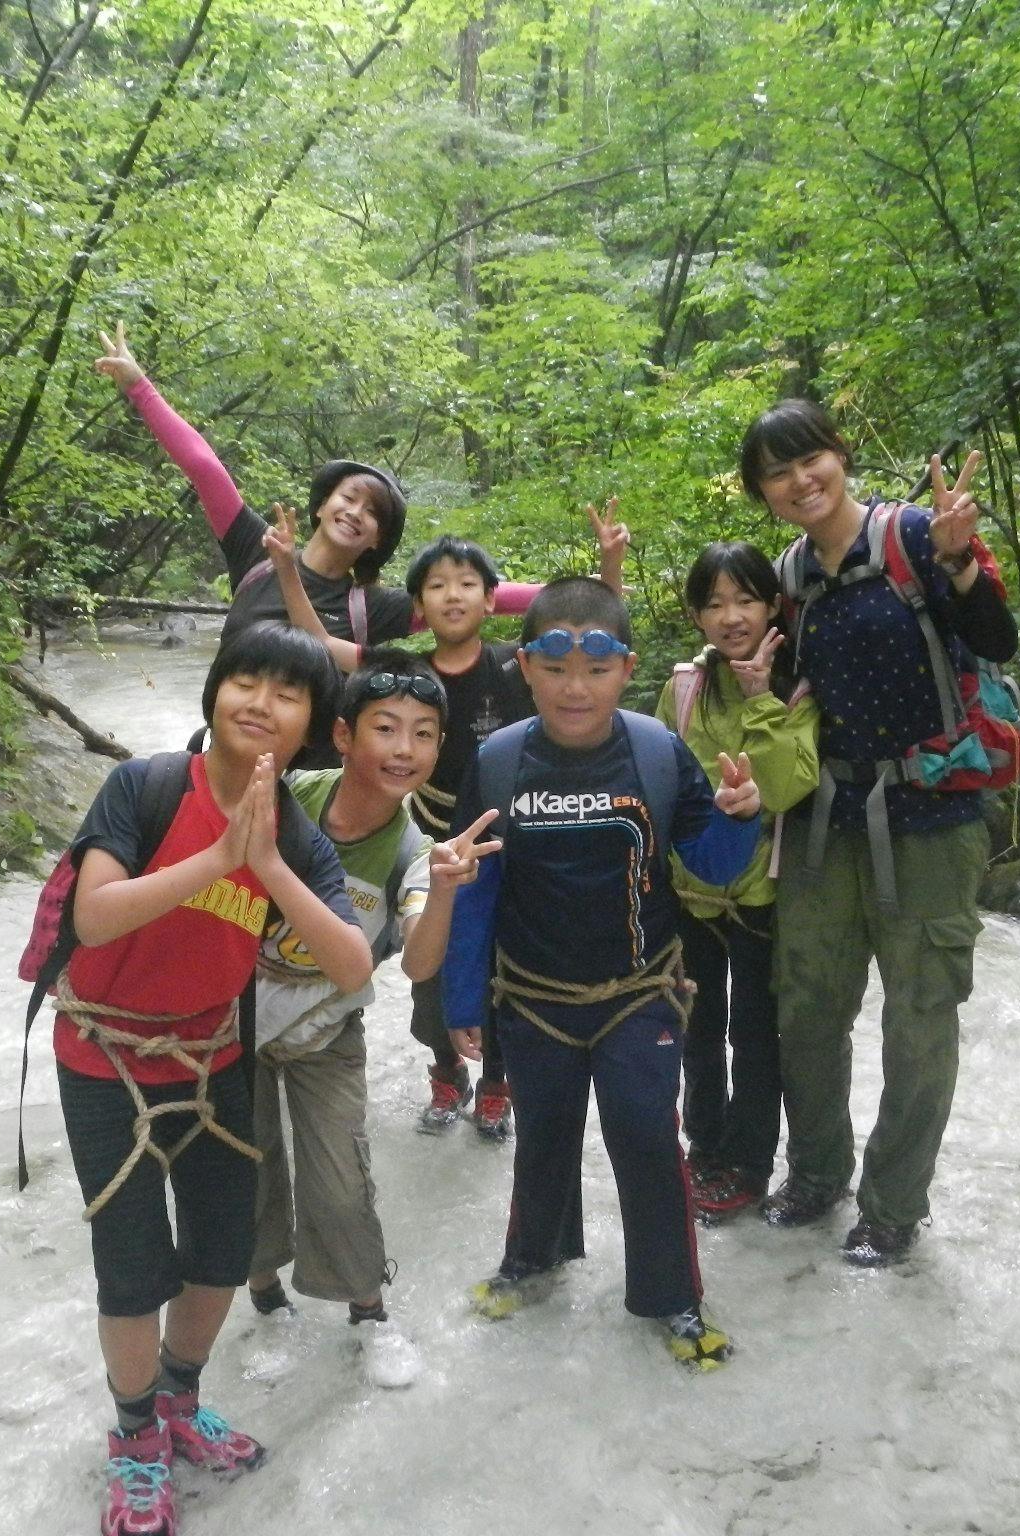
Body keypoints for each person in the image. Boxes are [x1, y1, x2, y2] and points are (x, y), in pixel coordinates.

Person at [53, 622, 371, 1536]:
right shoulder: (146, 786)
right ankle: (134, 1438)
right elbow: (96, 916)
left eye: (287, 692)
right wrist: (220, 861)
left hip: (211, 1059)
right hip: (106, 1059)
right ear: (216, 690)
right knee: (130, 1266)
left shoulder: (297, 838)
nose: (260, 703)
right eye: (246, 681)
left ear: (314, 725)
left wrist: (267, 863)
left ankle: (179, 1400)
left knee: (223, 1250)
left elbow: (352, 967)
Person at [441, 578, 763, 1370]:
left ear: (627, 669)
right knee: (543, 1135)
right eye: (554, 668)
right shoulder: (498, 761)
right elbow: (474, 891)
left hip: (639, 993)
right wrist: (461, 998)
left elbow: (712, 864)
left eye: (595, 669)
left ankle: (673, 1297)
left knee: (646, 1136)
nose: (574, 688)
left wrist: (741, 816)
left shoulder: (655, 753)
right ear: (525, 667)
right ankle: (533, 1259)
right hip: (532, 998)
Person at [738, 399, 1018, 1267]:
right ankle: (817, 1174)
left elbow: (996, 640)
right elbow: (783, 689)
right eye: (777, 474)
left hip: (930, 818)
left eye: (809, 459)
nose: (800, 482)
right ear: (763, 494)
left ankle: (893, 1206)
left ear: (839, 453)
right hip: (825, 821)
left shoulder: (918, 539)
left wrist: (961, 559)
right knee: (809, 1009)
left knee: (920, 1020)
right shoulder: (790, 578)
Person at [245, 651, 498, 1389]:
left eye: (424, 734)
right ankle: (266, 1300)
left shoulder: (417, 852)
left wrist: (445, 891)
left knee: (340, 1181)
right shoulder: (288, 796)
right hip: (234, 1025)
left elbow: (418, 964)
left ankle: (369, 1313)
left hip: (327, 1031)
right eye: (384, 728)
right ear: (343, 735)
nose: (403, 749)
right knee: (247, 1166)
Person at [92, 320, 545, 670]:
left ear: (377, 540)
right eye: (348, 498)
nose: (355, 512)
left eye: (372, 513)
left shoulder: (371, 607)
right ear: (322, 506)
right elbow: (205, 468)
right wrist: (139, 387)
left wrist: (574, 593)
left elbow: (479, 596)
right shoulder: (259, 549)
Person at [399, 514, 629, 1139]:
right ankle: (447, 1070)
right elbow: (336, 655)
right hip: (433, 839)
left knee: (506, 960)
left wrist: (609, 567)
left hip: (513, 839)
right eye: (437, 584)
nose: (452, 595)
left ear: (491, 599)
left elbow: (592, 640)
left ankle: (497, 1082)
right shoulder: (409, 674)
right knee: (436, 965)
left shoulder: (515, 665)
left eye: (467, 582)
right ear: (418, 604)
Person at [655, 543, 820, 1222]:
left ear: (773, 605)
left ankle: (749, 1164)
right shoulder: (683, 689)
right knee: (696, 1028)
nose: (731, 617)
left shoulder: (798, 691)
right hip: (690, 894)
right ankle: (705, 1146)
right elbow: (659, 784)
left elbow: (786, 787)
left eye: (745, 599)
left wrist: (759, 698)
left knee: (754, 1036)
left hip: (760, 899)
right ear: (697, 615)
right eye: (715, 603)